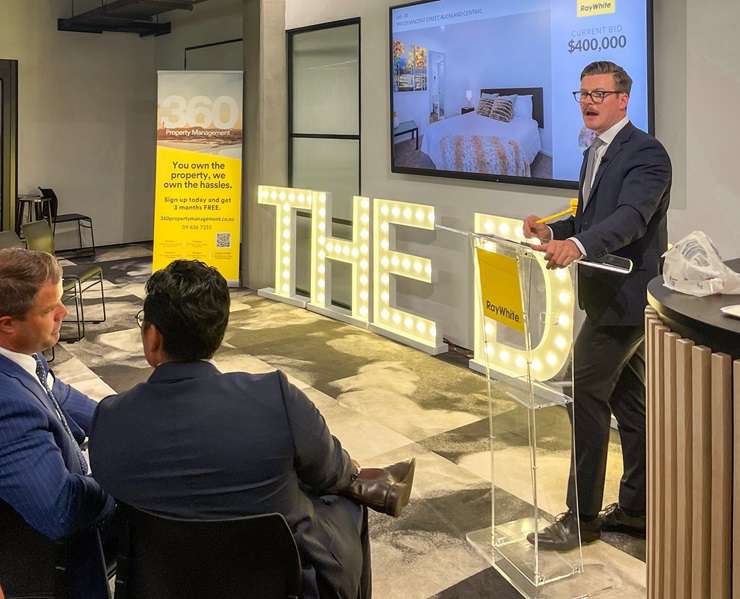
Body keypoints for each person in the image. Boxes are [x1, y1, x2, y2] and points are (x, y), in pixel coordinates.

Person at [90, 260, 415, 599]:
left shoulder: (111, 420)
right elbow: (330, 472)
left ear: (153, 337)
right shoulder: (275, 396)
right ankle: (375, 487)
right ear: (216, 334)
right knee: (342, 493)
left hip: (160, 584)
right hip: (278, 583)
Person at [523, 61, 672, 550]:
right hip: (603, 295)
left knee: (578, 392)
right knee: (630, 405)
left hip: (626, 301)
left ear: (623, 99)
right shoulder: (595, 152)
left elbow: (630, 219)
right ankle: (638, 508)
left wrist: (580, 248)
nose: (588, 101)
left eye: (599, 94)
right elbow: (589, 217)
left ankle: (581, 518)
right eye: (582, 93)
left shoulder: (647, 153)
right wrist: (554, 233)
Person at [0, 248, 114, 598]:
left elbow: (61, 396)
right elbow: (60, 509)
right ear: (7, 324)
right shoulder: (8, 406)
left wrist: (131, 422)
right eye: (50, 310)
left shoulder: (24, 354)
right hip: (46, 574)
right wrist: (122, 477)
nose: (64, 313)